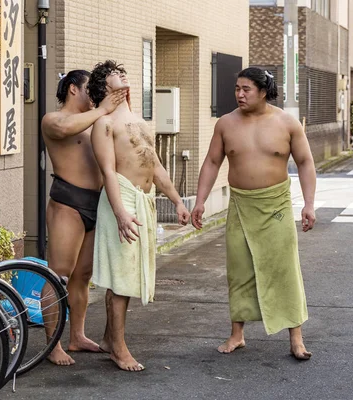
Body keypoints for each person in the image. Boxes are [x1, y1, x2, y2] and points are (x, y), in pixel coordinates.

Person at [191, 67, 317, 360]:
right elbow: (212, 162)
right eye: (237, 88)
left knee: (284, 269)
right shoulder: (225, 124)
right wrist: (200, 201)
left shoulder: (287, 123)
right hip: (240, 204)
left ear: (263, 91)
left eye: (246, 89)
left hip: (276, 205)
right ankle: (237, 334)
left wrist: (308, 204)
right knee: (240, 269)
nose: (239, 94)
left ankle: (296, 338)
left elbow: (305, 162)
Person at [88, 60, 191, 372]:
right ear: (105, 87)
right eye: (116, 75)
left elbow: (155, 164)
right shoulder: (103, 123)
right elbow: (107, 170)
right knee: (122, 277)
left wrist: (177, 201)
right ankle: (119, 349)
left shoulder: (139, 120)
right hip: (122, 200)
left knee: (129, 275)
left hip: (143, 200)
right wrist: (120, 213)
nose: (123, 77)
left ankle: (109, 338)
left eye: (122, 74)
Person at [41, 70, 127, 366]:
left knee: (82, 277)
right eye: (90, 88)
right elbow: (65, 129)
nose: (95, 95)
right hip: (68, 202)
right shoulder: (53, 119)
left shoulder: (96, 123)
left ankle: (76, 336)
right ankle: (53, 345)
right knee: (58, 275)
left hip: (96, 203)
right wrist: (103, 109)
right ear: (73, 90)